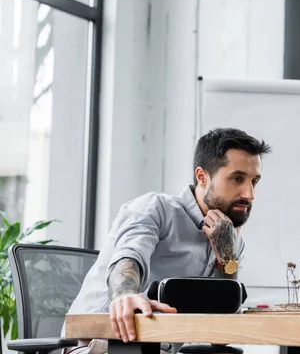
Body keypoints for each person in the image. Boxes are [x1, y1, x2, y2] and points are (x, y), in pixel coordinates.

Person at [64, 127, 271, 353]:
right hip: (96, 345)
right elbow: (129, 256)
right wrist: (124, 295)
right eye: (237, 179)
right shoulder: (156, 209)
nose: (249, 194)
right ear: (202, 177)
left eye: (254, 181)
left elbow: (220, 332)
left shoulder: (229, 238)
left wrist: (227, 257)